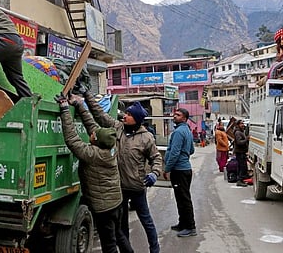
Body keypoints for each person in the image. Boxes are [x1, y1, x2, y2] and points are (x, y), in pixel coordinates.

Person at [74, 90, 162, 253]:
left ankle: (155, 249)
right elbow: (100, 115)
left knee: (146, 221)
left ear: (136, 119)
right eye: (126, 113)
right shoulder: (117, 127)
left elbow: (156, 158)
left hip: (136, 187)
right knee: (121, 226)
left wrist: (154, 174)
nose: (124, 116)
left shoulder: (146, 138)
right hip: (118, 188)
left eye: (129, 114)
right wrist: (87, 95)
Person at [54, 93, 133, 253]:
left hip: (104, 208)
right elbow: (93, 126)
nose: (91, 133)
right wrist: (78, 105)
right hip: (116, 203)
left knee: (109, 244)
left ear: (96, 141)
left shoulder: (94, 155)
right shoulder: (110, 147)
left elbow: (72, 140)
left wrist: (64, 109)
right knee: (118, 234)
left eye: (93, 136)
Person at [163, 108, 197, 238]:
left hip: (180, 170)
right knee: (181, 198)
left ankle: (190, 227)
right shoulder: (187, 130)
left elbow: (174, 153)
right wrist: (185, 155)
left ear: (184, 118)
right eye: (174, 114)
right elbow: (192, 150)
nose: (174, 116)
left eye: (178, 115)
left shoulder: (178, 132)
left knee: (184, 199)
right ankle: (182, 223)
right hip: (185, 170)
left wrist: (167, 168)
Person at [234, 119, 250, 187]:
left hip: (241, 152)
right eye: (241, 124)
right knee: (241, 167)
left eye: (243, 123)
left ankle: (241, 179)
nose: (243, 125)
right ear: (238, 125)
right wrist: (246, 139)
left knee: (242, 166)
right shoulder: (238, 132)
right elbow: (239, 142)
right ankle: (239, 180)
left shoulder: (241, 132)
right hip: (240, 153)